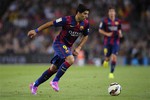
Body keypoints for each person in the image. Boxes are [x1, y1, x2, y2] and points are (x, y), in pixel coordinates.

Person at [28, 4, 90, 95]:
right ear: (78, 13)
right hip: (59, 43)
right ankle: (55, 81)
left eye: (87, 14)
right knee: (71, 59)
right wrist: (36, 31)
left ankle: (34, 84)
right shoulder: (67, 20)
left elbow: (86, 36)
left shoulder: (85, 23)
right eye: (84, 14)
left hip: (67, 47)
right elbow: (50, 23)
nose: (86, 16)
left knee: (53, 69)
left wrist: (79, 47)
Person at [99, 6, 123, 79]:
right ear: (108, 13)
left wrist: (120, 33)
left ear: (115, 13)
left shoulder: (118, 21)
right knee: (107, 57)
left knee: (114, 57)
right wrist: (107, 34)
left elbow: (119, 29)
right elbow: (100, 30)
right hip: (107, 42)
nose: (112, 13)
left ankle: (111, 73)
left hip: (116, 41)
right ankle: (106, 61)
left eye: (113, 11)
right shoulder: (104, 21)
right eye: (110, 11)